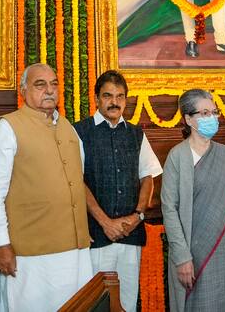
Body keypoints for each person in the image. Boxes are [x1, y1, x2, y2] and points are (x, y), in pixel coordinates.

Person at [0, 63, 92, 311]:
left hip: (74, 252)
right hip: (29, 256)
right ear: (23, 91)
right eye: (40, 84)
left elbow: (76, 181)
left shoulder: (69, 128)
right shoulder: (9, 127)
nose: (49, 90)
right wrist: (1, 244)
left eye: (54, 84)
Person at [73, 70, 163, 312]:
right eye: (108, 96)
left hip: (130, 233)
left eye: (120, 96)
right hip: (96, 236)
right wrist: (105, 223)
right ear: (96, 99)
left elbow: (148, 176)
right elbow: (75, 181)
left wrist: (138, 216)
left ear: (126, 100)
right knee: (96, 302)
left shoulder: (135, 134)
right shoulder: (79, 132)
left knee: (127, 301)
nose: (114, 102)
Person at [161, 89, 225, 311]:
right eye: (204, 113)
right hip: (193, 256)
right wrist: (182, 257)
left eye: (214, 112)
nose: (212, 118)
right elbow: (169, 209)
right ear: (188, 119)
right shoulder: (177, 157)